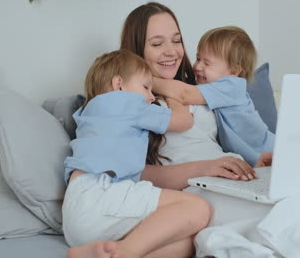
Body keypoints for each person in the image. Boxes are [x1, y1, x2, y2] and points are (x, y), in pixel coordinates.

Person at [120, 1, 300, 258]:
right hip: (198, 188)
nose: (172, 52)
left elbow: (214, 123)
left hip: (238, 176)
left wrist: (256, 163)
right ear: (136, 50)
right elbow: (135, 175)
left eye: (176, 41)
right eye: (157, 44)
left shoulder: (202, 88)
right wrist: (135, 77)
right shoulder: (125, 101)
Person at [63, 49, 212, 258]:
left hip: (76, 213)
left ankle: (98, 253)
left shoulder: (88, 113)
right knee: (198, 209)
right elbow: (184, 121)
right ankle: (126, 253)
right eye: (146, 87)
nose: (151, 97)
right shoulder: (126, 102)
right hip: (102, 195)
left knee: (188, 243)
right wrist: (176, 97)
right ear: (118, 85)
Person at [152, 26, 274, 166]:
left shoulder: (233, 86)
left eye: (207, 63)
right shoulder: (213, 92)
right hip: (257, 160)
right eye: (198, 59)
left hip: (272, 150)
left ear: (234, 71)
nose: (198, 67)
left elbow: (184, 94)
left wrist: (146, 79)